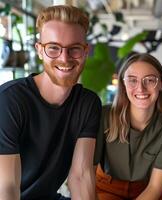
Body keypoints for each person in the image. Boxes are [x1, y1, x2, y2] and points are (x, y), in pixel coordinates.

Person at [0, 5, 101, 200]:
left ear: (85, 51)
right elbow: (7, 188)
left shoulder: (87, 104)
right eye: (53, 48)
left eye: (74, 49)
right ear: (39, 50)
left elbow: (80, 177)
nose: (65, 58)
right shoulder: (10, 100)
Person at [94, 53, 162, 200]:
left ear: (161, 83)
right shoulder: (104, 115)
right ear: (123, 84)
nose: (140, 88)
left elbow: (154, 187)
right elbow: (86, 174)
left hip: (146, 192)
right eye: (132, 80)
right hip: (105, 190)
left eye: (149, 80)